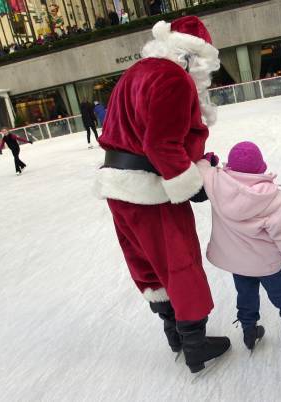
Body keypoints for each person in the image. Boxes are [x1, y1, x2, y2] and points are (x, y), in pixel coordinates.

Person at [95, 16, 230, 374]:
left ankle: (174, 334)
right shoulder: (174, 78)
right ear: (193, 58)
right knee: (179, 260)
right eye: (205, 67)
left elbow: (136, 130)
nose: (205, 77)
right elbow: (160, 143)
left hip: (117, 185)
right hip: (150, 188)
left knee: (148, 264)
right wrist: (191, 183)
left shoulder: (135, 73)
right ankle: (195, 345)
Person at [196, 142, 281, 350]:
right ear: (260, 167)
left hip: (237, 260)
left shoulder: (217, 184)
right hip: (265, 262)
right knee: (279, 291)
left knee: (245, 293)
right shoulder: (274, 198)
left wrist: (206, 161)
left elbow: (203, 171)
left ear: (231, 167)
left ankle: (249, 330)